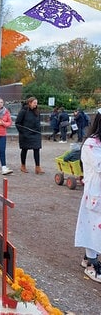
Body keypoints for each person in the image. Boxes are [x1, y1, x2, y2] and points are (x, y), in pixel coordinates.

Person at [74, 108, 101, 283]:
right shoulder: (92, 144)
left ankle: (87, 257)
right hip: (95, 193)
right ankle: (92, 263)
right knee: (94, 226)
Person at [15, 96, 43, 174]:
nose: (36, 105)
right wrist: (23, 132)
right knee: (24, 149)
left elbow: (38, 121)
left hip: (36, 134)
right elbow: (17, 123)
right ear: (30, 103)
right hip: (25, 134)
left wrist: (39, 130)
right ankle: (23, 165)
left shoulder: (37, 112)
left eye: (36, 103)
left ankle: (38, 167)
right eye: (34, 103)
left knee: (37, 149)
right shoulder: (23, 111)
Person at [0, 98, 13, 175]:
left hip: (2, 134)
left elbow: (9, 123)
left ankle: (3, 167)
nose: (0, 103)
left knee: (2, 151)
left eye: (1, 102)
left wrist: (3, 123)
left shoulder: (6, 112)